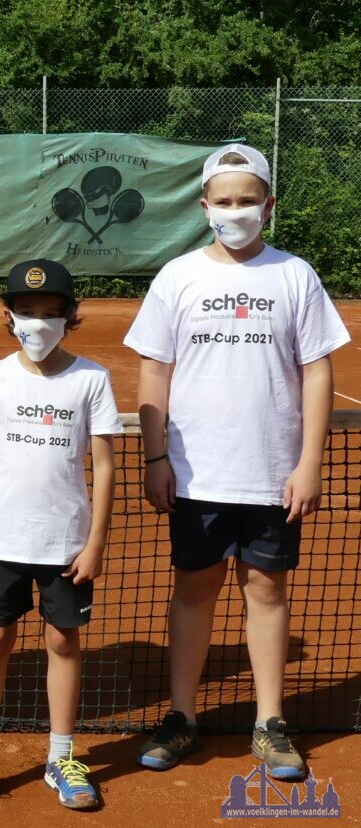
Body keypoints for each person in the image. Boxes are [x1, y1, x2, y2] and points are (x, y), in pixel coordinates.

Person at [125, 144, 350, 778]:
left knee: (267, 590)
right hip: (195, 472)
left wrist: (311, 464)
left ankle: (270, 722)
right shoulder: (178, 277)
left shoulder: (295, 276)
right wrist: (155, 457)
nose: (235, 211)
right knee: (194, 590)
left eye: (247, 200)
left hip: (273, 474)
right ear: (204, 207)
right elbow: (153, 373)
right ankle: (181, 717)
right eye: (223, 201)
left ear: (269, 205)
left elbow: (316, 372)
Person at [0, 260, 120, 813]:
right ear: (8, 316)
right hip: (0, 544)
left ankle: (61, 756)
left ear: (70, 316)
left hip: (65, 545)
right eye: (26, 312)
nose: (37, 323)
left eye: (50, 313)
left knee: (64, 642)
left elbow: (107, 466)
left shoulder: (91, 379)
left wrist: (95, 544)